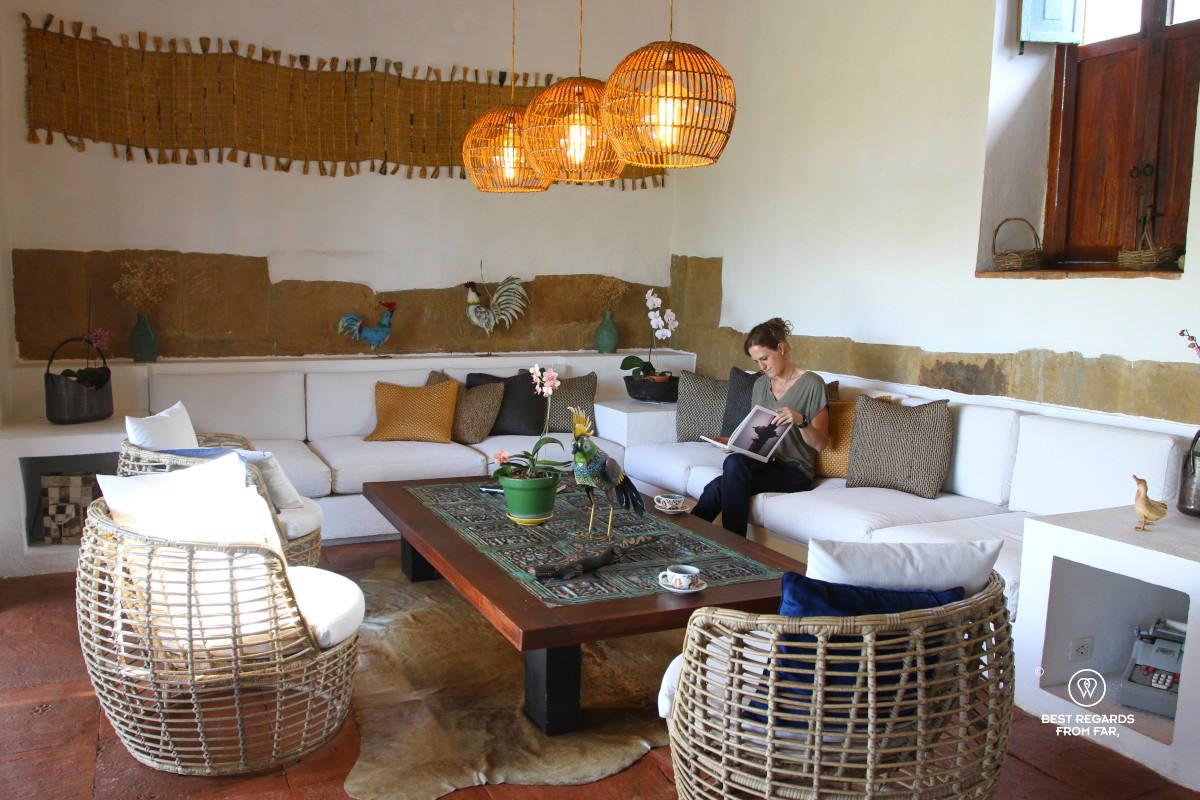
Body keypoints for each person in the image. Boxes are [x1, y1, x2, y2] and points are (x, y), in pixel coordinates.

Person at [692, 318, 829, 536]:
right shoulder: (760, 384)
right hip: (764, 462)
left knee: (718, 487)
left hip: (795, 470)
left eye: (765, 358)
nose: (762, 366)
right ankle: (718, 543)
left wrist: (801, 420)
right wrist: (736, 444)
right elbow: (761, 435)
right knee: (734, 460)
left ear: (781, 349)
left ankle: (700, 540)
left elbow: (820, 443)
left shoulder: (813, 383)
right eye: (757, 361)